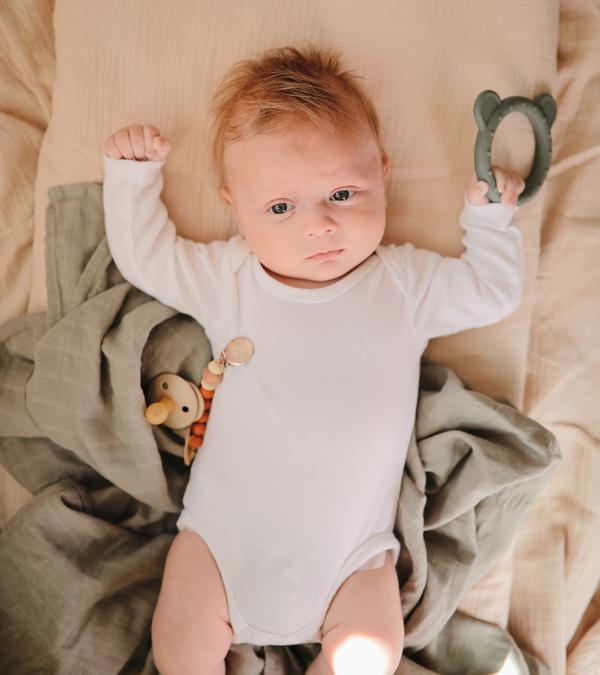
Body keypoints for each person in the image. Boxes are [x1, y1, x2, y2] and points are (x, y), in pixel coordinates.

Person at [102, 46, 525, 675]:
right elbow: (148, 258)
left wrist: (490, 222)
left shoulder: (403, 284)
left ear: (382, 172)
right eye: (280, 208)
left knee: (368, 656)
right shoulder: (232, 279)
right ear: (234, 207)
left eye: (343, 193)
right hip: (222, 545)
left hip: (350, 560)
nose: (319, 225)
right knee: (182, 640)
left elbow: (491, 291)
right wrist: (131, 179)